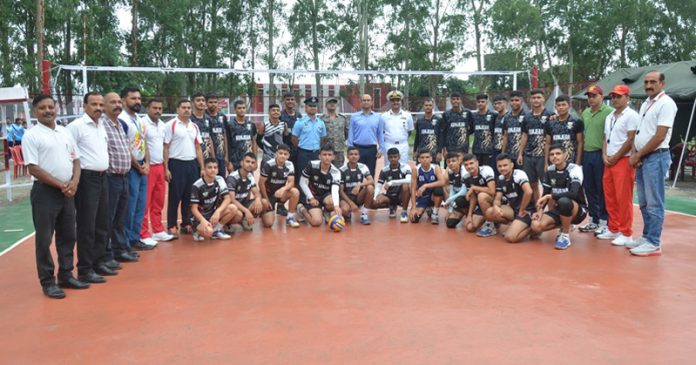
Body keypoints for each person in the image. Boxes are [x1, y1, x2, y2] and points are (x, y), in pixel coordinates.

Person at [24, 95, 86, 299]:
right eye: (42, 108)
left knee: (68, 235)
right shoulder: (31, 136)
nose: (48, 110)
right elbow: (34, 168)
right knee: (44, 239)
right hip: (46, 193)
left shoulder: (64, 132)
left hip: (68, 191)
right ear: (35, 112)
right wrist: (62, 185)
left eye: (51, 106)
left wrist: (74, 182)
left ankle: (66, 275)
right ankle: (48, 282)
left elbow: (76, 160)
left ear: (56, 108)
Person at [625, 71, 678, 256]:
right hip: (643, 158)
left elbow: (660, 136)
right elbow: (639, 132)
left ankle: (654, 242)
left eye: (653, 82)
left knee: (655, 202)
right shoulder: (647, 103)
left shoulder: (666, 104)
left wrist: (638, 154)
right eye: (646, 82)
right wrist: (635, 153)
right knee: (645, 202)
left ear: (662, 83)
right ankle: (647, 237)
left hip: (656, 157)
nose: (648, 85)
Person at [67, 92, 112, 284]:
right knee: (87, 225)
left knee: (103, 223)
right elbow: (68, 153)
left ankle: (99, 261)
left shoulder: (100, 126)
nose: (99, 108)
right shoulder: (76, 127)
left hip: (103, 178)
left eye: (101, 105)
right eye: (94, 104)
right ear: (85, 106)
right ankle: (85, 269)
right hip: (86, 179)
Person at [102, 92, 140, 267]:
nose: (117, 105)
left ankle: (120, 249)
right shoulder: (102, 125)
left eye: (118, 102)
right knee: (107, 219)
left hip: (124, 176)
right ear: (104, 105)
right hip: (110, 177)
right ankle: (106, 255)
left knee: (120, 217)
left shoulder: (119, 124)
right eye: (113, 102)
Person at [598, 85, 638, 246]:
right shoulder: (610, 116)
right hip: (608, 161)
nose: (615, 99)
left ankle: (626, 232)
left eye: (619, 96)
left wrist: (616, 156)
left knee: (623, 197)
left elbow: (631, 139)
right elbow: (605, 138)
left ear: (627, 98)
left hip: (623, 161)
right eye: (613, 96)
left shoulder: (632, 115)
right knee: (610, 196)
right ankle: (613, 228)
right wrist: (604, 155)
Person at [531, 144, 588, 250]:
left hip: (578, 210)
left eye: (558, 153)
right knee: (536, 226)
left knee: (564, 201)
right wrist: (539, 211)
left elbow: (573, 193)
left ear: (565, 155)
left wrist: (550, 196)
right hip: (559, 208)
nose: (555, 157)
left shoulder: (574, 169)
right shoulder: (550, 170)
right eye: (552, 154)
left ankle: (565, 235)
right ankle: (565, 223)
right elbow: (545, 193)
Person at [119, 87, 155, 250]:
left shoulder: (140, 120)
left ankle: (135, 238)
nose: (137, 101)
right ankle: (125, 241)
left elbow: (144, 143)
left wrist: (147, 163)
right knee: (130, 206)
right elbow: (124, 147)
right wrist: (138, 166)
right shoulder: (121, 120)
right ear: (124, 100)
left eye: (139, 98)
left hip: (142, 167)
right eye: (133, 98)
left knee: (141, 205)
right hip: (131, 168)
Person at [164, 99, 205, 236]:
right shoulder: (171, 125)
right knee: (175, 196)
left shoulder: (194, 127)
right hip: (176, 164)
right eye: (183, 107)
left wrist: (202, 167)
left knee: (189, 196)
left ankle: (186, 223)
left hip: (192, 164)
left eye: (188, 107)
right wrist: (166, 167)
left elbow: (198, 148)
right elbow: (165, 147)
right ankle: (171, 225)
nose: (186, 110)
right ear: (177, 109)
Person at [140, 99, 176, 243]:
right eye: (154, 108)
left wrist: (166, 168)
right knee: (145, 202)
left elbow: (165, 147)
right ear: (148, 108)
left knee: (158, 200)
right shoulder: (142, 123)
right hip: (148, 167)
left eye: (160, 108)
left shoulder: (163, 126)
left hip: (160, 167)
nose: (158, 111)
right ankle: (143, 233)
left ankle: (158, 230)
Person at [579, 84, 612, 234]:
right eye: (589, 96)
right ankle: (593, 220)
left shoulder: (609, 112)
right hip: (587, 154)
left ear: (602, 97)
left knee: (602, 188)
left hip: (600, 154)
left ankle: (605, 221)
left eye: (594, 96)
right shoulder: (585, 113)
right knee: (589, 187)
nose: (591, 99)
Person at [484, 153, 534, 243]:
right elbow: (497, 198)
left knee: (510, 238)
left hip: (526, 211)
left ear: (511, 165)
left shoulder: (519, 174)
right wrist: (496, 206)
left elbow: (529, 192)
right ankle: (516, 224)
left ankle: (533, 229)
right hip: (514, 210)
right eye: (499, 166)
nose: (502, 168)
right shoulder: (500, 178)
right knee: (489, 212)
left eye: (505, 165)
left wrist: (522, 210)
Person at [518, 89, 554, 205]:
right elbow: (524, 135)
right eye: (533, 98)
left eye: (538, 97)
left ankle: (550, 211)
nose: (536, 100)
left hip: (543, 156)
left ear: (543, 99)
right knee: (532, 184)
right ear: (530, 100)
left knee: (547, 185)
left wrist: (550, 157)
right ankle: (536, 206)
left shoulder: (550, 116)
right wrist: (520, 153)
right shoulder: (527, 117)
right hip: (528, 155)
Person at [190, 158, 236, 241]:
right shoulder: (197, 186)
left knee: (233, 208)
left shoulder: (219, 179)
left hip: (212, 213)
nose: (213, 170)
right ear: (204, 169)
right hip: (199, 217)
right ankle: (196, 230)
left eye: (215, 167)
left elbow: (228, 198)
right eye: (210, 167)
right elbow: (194, 209)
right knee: (208, 232)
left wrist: (218, 212)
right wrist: (203, 221)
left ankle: (217, 230)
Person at [297, 144, 343, 227]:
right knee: (316, 222)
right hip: (313, 195)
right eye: (324, 155)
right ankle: (301, 209)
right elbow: (302, 182)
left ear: (333, 157)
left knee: (332, 203)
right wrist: (311, 197)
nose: (327, 157)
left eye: (329, 155)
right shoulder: (311, 165)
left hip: (325, 196)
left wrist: (336, 206)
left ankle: (326, 211)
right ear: (319, 156)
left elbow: (335, 189)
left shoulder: (336, 172)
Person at [258, 144, 301, 228]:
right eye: (280, 153)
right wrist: (266, 199)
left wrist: (283, 189)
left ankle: (290, 217)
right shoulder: (268, 164)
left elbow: (291, 182)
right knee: (269, 223)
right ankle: (263, 210)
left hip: (280, 194)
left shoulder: (290, 164)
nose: (282, 156)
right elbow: (261, 183)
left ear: (288, 156)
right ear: (276, 154)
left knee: (295, 192)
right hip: (268, 195)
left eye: (285, 154)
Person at [227, 152, 270, 230]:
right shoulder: (232, 178)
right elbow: (232, 200)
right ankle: (227, 224)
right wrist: (246, 211)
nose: (250, 164)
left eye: (252, 162)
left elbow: (256, 193)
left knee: (263, 202)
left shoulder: (250, 176)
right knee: (238, 215)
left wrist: (257, 199)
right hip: (232, 206)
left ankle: (244, 220)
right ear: (241, 163)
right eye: (247, 161)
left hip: (244, 204)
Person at [347, 94, 385, 176]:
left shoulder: (378, 117)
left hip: (371, 149)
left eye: (368, 100)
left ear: (372, 102)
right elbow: (351, 133)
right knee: (356, 174)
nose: (366, 102)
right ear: (360, 102)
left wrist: (381, 148)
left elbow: (380, 134)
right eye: (364, 100)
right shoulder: (354, 117)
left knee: (370, 173)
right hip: (357, 149)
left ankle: (371, 189)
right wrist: (350, 148)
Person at [459, 153, 497, 236]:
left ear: (477, 162)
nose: (469, 166)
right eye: (466, 165)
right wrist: (469, 215)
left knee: (481, 196)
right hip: (481, 204)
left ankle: (490, 226)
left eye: (471, 163)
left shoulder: (486, 170)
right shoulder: (466, 177)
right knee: (470, 227)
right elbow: (472, 197)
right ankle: (489, 219)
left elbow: (492, 191)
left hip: (495, 201)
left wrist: (474, 188)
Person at [373, 147, 412, 223]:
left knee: (406, 186)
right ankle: (392, 206)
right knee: (374, 203)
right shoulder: (384, 170)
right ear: (388, 158)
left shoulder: (405, 167)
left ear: (399, 157)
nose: (393, 159)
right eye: (391, 157)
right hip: (390, 196)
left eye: (395, 157)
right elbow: (379, 186)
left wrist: (392, 182)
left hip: (401, 195)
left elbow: (409, 180)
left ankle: (404, 212)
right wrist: (374, 197)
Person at [292, 96, 327, 179]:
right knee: (302, 176)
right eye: (310, 106)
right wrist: (301, 147)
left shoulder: (321, 123)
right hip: (303, 154)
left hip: (316, 153)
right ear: (306, 108)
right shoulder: (300, 122)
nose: (312, 108)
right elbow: (294, 139)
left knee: (316, 176)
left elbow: (323, 138)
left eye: (314, 106)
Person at [409, 149, 446, 224]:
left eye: (427, 157)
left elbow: (443, 182)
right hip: (423, 196)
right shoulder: (416, 169)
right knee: (414, 219)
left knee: (439, 190)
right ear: (419, 159)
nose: (425, 159)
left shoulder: (435, 167)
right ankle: (428, 208)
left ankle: (435, 213)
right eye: (422, 158)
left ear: (431, 158)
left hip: (433, 195)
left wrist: (425, 185)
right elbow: (413, 189)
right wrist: (413, 207)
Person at [339, 146, 375, 225]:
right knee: (344, 211)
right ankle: (348, 213)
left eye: (356, 154)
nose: (354, 156)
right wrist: (351, 203)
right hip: (346, 198)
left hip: (358, 197)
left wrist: (360, 184)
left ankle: (364, 214)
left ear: (359, 156)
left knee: (370, 188)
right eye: (351, 154)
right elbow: (341, 191)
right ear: (347, 156)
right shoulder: (342, 170)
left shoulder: (363, 167)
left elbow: (371, 181)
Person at [544, 95, 584, 165]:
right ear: (555, 107)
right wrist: (546, 163)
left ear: (569, 106)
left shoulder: (576, 122)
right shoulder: (550, 123)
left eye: (563, 105)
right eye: (558, 105)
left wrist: (578, 162)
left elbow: (580, 143)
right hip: (554, 162)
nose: (561, 107)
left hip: (571, 162)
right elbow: (548, 143)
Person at [382, 90, 414, 165]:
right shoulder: (384, 116)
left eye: (398, 100)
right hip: (389, 145)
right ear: (390, 102)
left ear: (401, 101)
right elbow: (381, 132)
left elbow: (409, 131)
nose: (395, 102)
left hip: (403, 145)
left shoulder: (407, 115)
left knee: (403, 168)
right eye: (393, 100)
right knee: (388, 168)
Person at [225, 100, 257, 173]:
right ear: (235, 109)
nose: (242, 110)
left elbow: (254, 142)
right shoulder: (230, 125)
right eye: (239, 108)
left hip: (248, 161)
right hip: (235, 161)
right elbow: (227, 144)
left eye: (243, 108)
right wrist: (229, 161)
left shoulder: (251, 125)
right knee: (234, 182)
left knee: (249, 182)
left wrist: (255, 160)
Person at [204, 94, 229, 177]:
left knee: (221, 178)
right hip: (207, 156)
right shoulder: (203, 117)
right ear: (206, 103)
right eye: (210, 102)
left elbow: (224, 135)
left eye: (215, 102)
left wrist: (226, 155)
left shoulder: (222, 117)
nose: (213, 104)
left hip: (221, 156)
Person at [441, 152, 468, 229]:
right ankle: (460, 212)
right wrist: (450, 210)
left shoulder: (464, 172)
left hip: (469, 198)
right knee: (449, 223)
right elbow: (452, 190)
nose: (451, 163)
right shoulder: (450, 172)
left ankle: (470, 214)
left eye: (453, 161)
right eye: (449, 162)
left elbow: (464, 191)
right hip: (459, 199)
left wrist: (450, 200)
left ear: (459, 161)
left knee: (459, 200)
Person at [413, 98, 443, 163]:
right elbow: (417, 137)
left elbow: (440, 137)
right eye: (426, 105)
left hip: (434, 153)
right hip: (421, 153)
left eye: (430, 105)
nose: (428, 107)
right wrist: (415, 151)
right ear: (423, 107)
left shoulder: (438, 120)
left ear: (433, 107)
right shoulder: (419, 121)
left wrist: (440, 152)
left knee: (435, 172)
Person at [471, 94, 497, 166]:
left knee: (488, 171)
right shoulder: (473, 116)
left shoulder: (493, 115)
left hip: (489, 150)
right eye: (479, 102)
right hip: (476, 150)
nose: (480, 103)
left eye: (482, 102)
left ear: (487, 102)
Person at [323, 97, 349, 167]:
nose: (332, 104)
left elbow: (346, 133)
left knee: (338, 172)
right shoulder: (321, 119)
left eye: (334, 102)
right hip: (326, 151)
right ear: (325, 105)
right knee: (325, 171)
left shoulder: (343, 118)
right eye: (330, 102)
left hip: (339, 151)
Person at [501, 90, 526, 161]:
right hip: (509, 155)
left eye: (517, 100)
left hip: (523, 156)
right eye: (512, 100)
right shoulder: (506, 117)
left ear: (522, 101)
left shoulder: (527, 116)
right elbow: (505, 135)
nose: (514, 102)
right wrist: (503, 152)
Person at [191, 92, 215, 160]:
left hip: (207, 157)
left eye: (203, 100)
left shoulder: (209, 119)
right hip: (194, 158)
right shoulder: (189, 119)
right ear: (192, 103)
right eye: (198, 100)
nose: (201, 102)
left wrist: (213, 158)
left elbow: (210, 138)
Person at [280, 92, 302, 157]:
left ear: (295, 101)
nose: (290, 101)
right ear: (284, 101)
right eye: (288, 99)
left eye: (292, 99)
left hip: (297, 147)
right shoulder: (280, 115)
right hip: (284, 148)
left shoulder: (299, 115)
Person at [491, 95, 508, 174]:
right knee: (496, 172)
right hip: (495, 149)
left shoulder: (509, 116)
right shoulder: (495, 117)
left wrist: (503, 151)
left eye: (499, 103)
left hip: (505, 150)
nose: (497, 105)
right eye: (495, 104)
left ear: (505, 103)